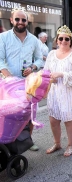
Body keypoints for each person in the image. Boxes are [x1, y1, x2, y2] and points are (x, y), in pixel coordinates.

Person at [0, 8, 43, 151]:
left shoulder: (34, 40)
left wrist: (33, 66)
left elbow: (39, 59)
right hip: (8, 84)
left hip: (28, 83)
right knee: (9, 114)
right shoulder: (3, 37)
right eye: (17, 19)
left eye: (23, 20)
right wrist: (8, 77)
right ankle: (8, 142)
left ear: (27, 22)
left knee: (29, 113)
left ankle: (28, 141)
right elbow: (0, 60)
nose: (20, 22)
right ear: (11, 20)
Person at [43, 25, 72, 157]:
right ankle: (57, 143)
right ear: (57, 40)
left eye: (67, 39)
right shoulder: (51, 54)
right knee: (53, 120)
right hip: (55, 92)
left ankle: (70, 145)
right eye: (61, 38)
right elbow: (46, 72)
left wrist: (62, 74)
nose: (64, 41)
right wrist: (47, 82)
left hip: (69, 93)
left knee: (68, 120)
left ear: (71, 41)